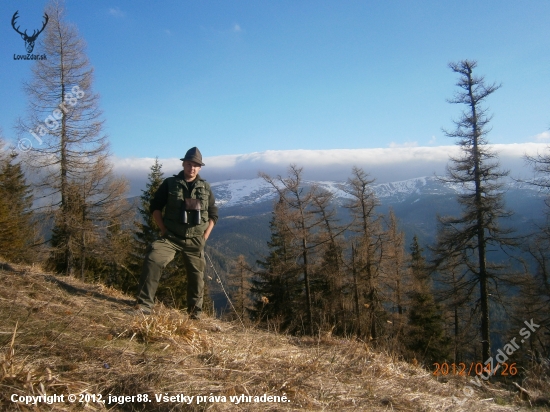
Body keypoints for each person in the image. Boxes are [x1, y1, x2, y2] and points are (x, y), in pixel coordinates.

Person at [134, 147, 218, 319]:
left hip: (195, 240)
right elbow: (155, 207)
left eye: (196, 165)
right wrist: (163, 230)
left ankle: (195, 315)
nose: (192, 168)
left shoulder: (205, 187)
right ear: (183, 164)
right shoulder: (170, 184)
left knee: (197, 277)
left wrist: (205, 236)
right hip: (171, 237)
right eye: (189, 164)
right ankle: (144, 306)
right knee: (153, 259)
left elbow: (213, 214)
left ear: (200, 168)